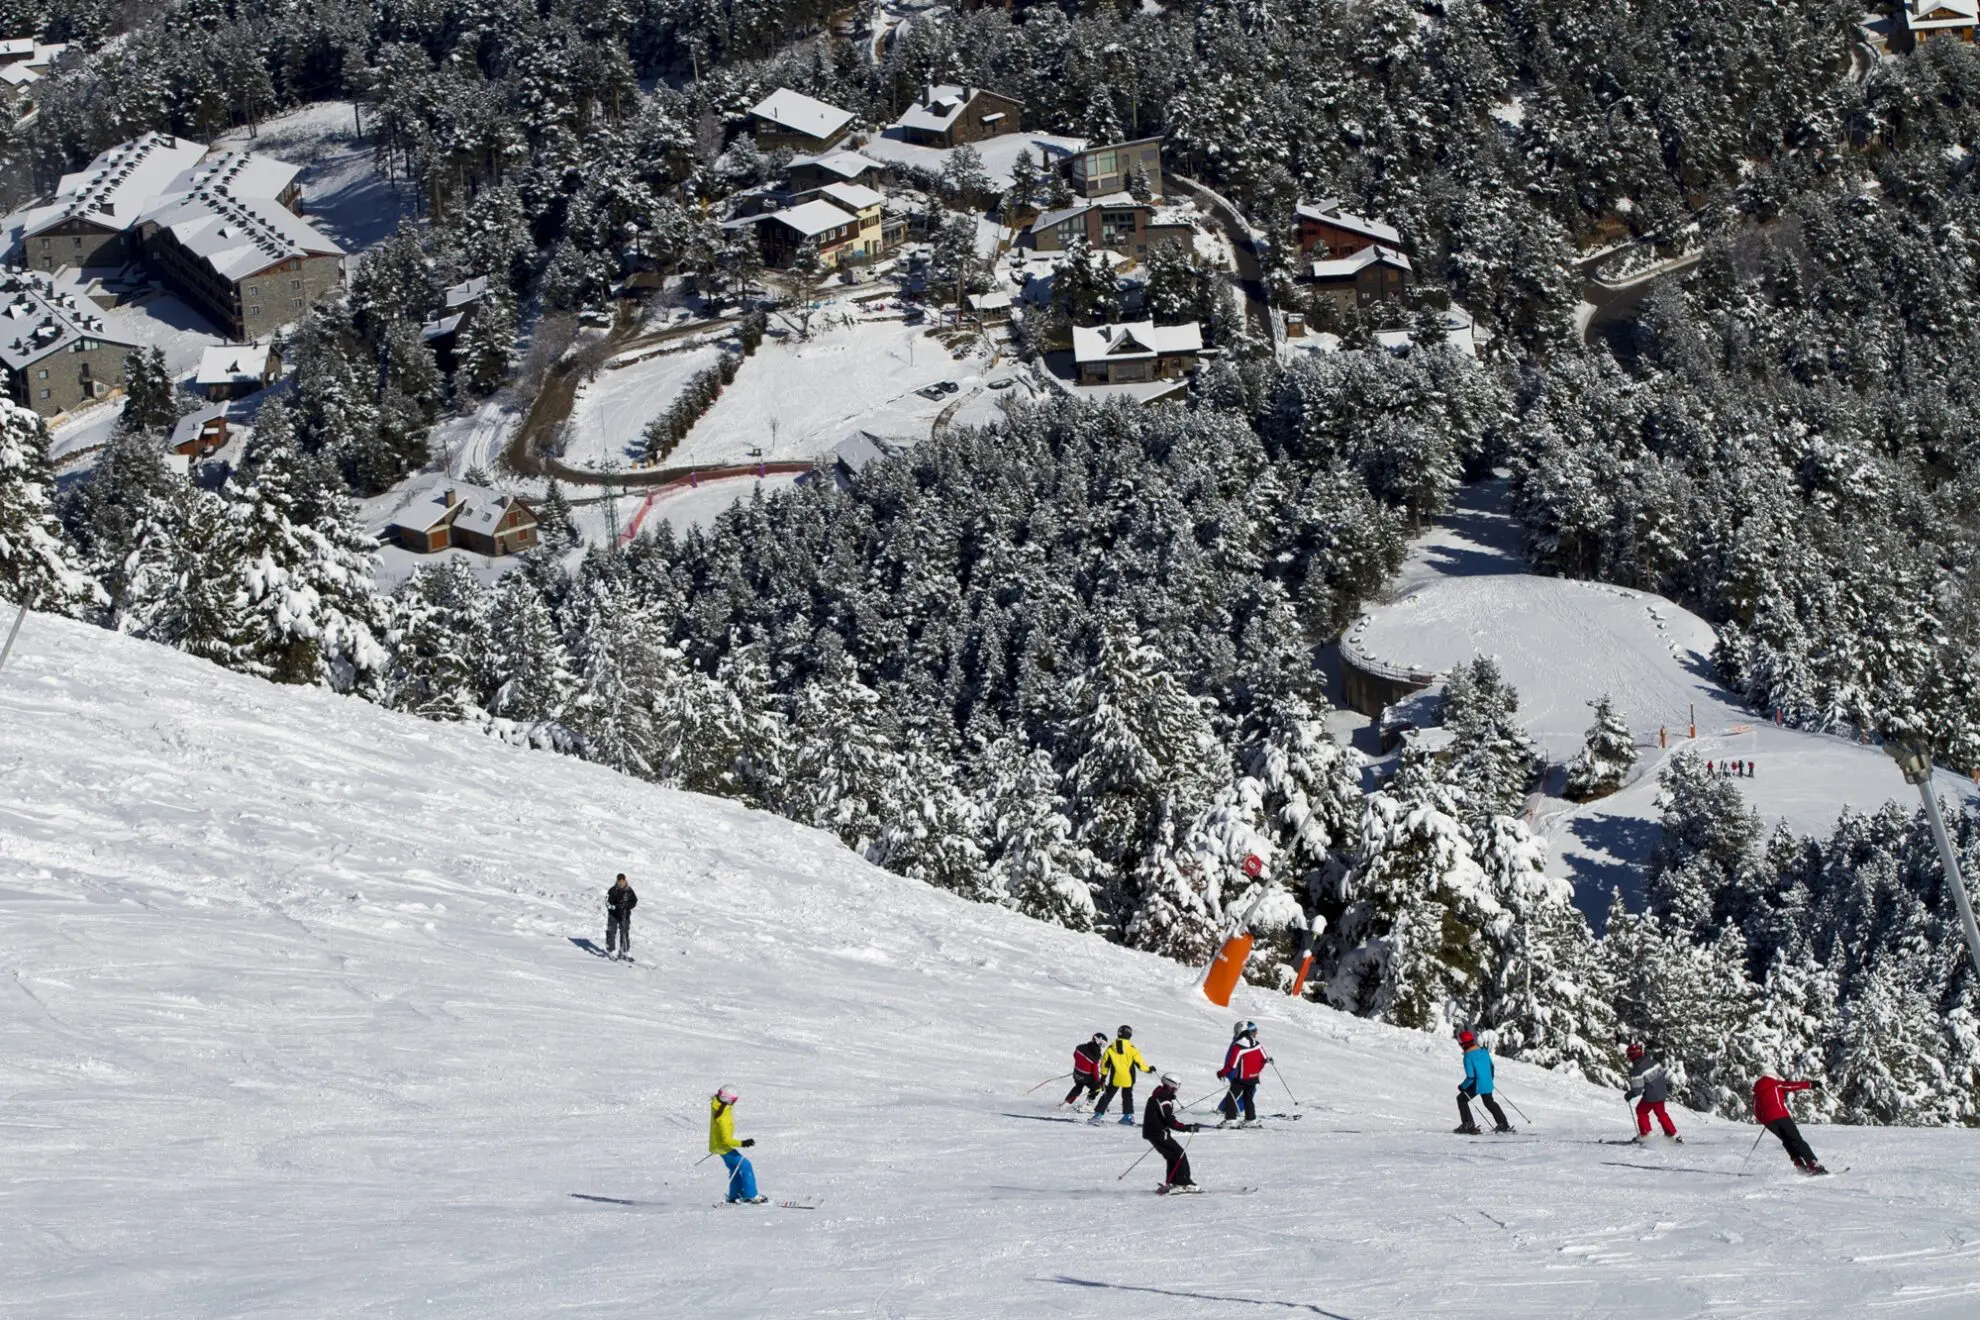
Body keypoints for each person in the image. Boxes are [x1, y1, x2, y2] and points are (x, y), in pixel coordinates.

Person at [1753, 1073, 1826, 1174]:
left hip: (1768, 1121)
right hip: (1781, 1116)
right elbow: (1792, 1085)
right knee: (1796, 1139)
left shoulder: (1757, 1092)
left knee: (1787, 1140)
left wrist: (1765, 1120)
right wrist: (1810, 1084)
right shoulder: (1775, 1084)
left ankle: (1800, 1165)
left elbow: (1755, 1109)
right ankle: (1813, 1165)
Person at [1142, 1072, 1201, 1193]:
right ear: (1171, 1086)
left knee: (1173, 1156)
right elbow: (1170, 1122)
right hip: (1159, 1133)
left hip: (1153, 1132)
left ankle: (1174, 1182)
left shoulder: (1160, 1094)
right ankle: (1183, 1183)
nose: (1176, 1090)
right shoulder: (1163, 1099)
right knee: (1179, 1154)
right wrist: (1188, 1128)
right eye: (1175, 1088)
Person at [709, 1085, 768, 1203]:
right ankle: (752, 1195)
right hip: (722, 1147)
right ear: (727, 1100)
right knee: (746, 1165)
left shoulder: (718, 1105)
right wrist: (743, 1143)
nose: (735, 1102)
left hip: (718, 1145)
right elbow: (727, 1140)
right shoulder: (723, 1116)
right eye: (734, 1100)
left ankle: (734, 1195)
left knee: (735, 1167)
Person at [1088, 1025, 1153, 1126]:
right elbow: (1139, 1063)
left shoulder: (1111, 1048)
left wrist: (1103, 1077)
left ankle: (1098, 1115)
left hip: (1115, 1077)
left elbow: (1105, 1063)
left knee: (1108, 1095)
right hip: (1129, 1077)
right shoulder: (1131, 1048)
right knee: (1127, 1096)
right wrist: (1148, 1069)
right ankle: (1128, 1116)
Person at [1455, 1029, 1513, 1134]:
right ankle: (1503, 1124)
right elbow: (1491, 1067)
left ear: (1463, 1043)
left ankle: (1468, 1125)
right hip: (1488, 1083)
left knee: (1461, 1099)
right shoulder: (1484, 1051)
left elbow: (1471, 1077)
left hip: (1477, 1085)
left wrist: (1462, 1087)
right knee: (1489, 1102)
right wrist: (1488, 1079)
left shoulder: (1468, 1056)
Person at [1623, 1043, 1681, 1143]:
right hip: (1662, 1092)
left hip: (1652, 1095)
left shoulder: (1637, 1070)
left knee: (1641, 1111)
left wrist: (1629, 1095)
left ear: (1632, 1056)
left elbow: (1637, 1089)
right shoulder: (1652, 1061)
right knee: (1661, 1113)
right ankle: (1672, 1134)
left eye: (1628, 1056)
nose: (1628, 1058)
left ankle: (1645, 1135)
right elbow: (1662, 1075)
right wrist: (1661, 1088)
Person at [1217, 1022, 1269, 1127]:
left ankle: (1230, 1120)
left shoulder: (1239, 1046)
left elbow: (1232, 1065)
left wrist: (1221, 1073)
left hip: (1242, 1078)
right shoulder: (1257, 1043)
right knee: (1248, 1098)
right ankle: (1251, 1120)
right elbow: (1264, 1059)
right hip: (1254, 1077)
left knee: (1230, 1097)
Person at [1063, 1032, 1107, 1111]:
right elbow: (1095, 1071)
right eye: (1102, 1044)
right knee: (1097, 1087)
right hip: (1086, 1077)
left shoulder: (1080, 1047)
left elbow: (1075, 1055)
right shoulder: (1095, 1055)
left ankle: (1066, 1103)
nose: (1102, 1047)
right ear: (1098, 1041)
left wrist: (1081, 1066)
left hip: (1076, 1073)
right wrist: (1099, 1081)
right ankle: (1087, 1104)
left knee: (1078, 1087)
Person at [606, 874, 637, 959]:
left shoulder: (629, 890)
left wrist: (627, 906)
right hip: (613, 915)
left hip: (624, 915)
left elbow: (634, 901)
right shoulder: (612, 890)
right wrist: (615, 907)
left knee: (624, 932)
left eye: (622, 880)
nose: (621, 882)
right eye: (619, 881)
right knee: (611, 931)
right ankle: (611, 950)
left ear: (625, 880)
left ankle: (624, 951)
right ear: (617, 880)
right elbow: (607, 903)